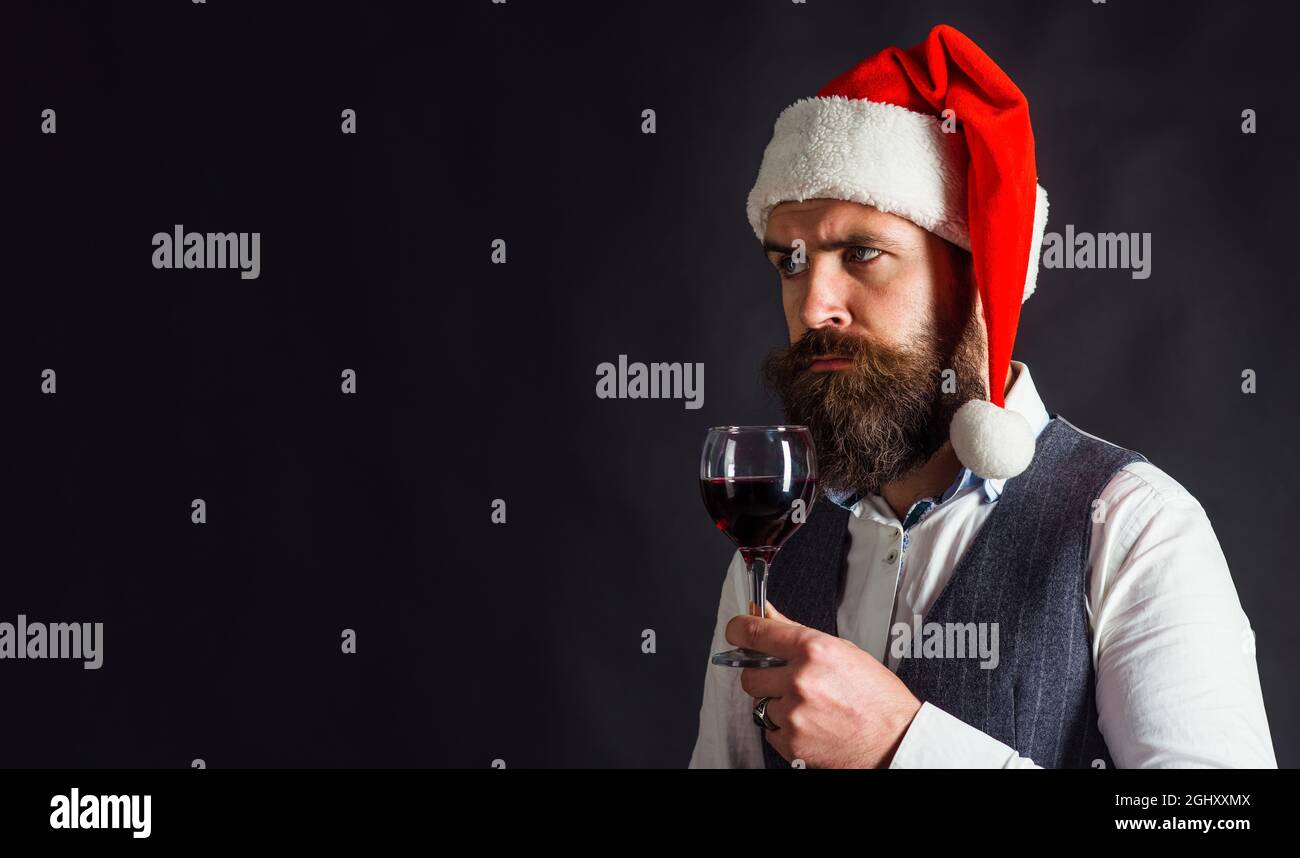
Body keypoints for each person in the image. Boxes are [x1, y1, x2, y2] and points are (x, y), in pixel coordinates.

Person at [688, 24, 1276, 769]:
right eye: (791, 263)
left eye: (861, 254)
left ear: (977, 282)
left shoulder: (1133, 527)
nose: (813, 307)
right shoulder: (768, 553)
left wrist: (903, 747)